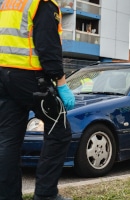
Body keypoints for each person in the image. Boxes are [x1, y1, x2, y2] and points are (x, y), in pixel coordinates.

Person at [0, 0, 75, 199]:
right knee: (60, 130)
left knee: (8, 140)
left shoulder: (8, 3)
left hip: (4, 77)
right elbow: (48, 46)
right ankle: (46, 194)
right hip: (31, 78)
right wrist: (61, 83)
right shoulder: (42, 3)